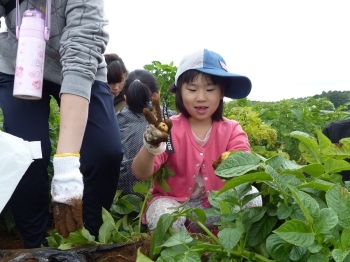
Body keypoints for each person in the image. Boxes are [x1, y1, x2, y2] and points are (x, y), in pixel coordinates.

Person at [0, 0, 123, 248]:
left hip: (79, 63)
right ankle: (36, 244)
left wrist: (67, 165)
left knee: (105, 152)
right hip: (20, 62)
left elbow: (81, 56)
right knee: (28, 153)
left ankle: (89, 237)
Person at [132, 48, 262, 232]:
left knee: (253, 197)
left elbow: (244, 163)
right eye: (192, 89)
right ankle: (181, 253)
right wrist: (151, 146)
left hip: (216, 208)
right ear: (180, 92)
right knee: (164, 215)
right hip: (175, 207)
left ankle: (226, 248)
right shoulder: (169, 129)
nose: (201, 97)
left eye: (210, 89)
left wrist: (234, 165)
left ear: (221, 92)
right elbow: (140, 172)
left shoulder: (232, 129)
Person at [116, 70, 159, 196]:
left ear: (125, 97)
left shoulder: (115, 119)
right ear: (156, 95)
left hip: (121, 192)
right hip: (158, 194)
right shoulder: (170, 119)